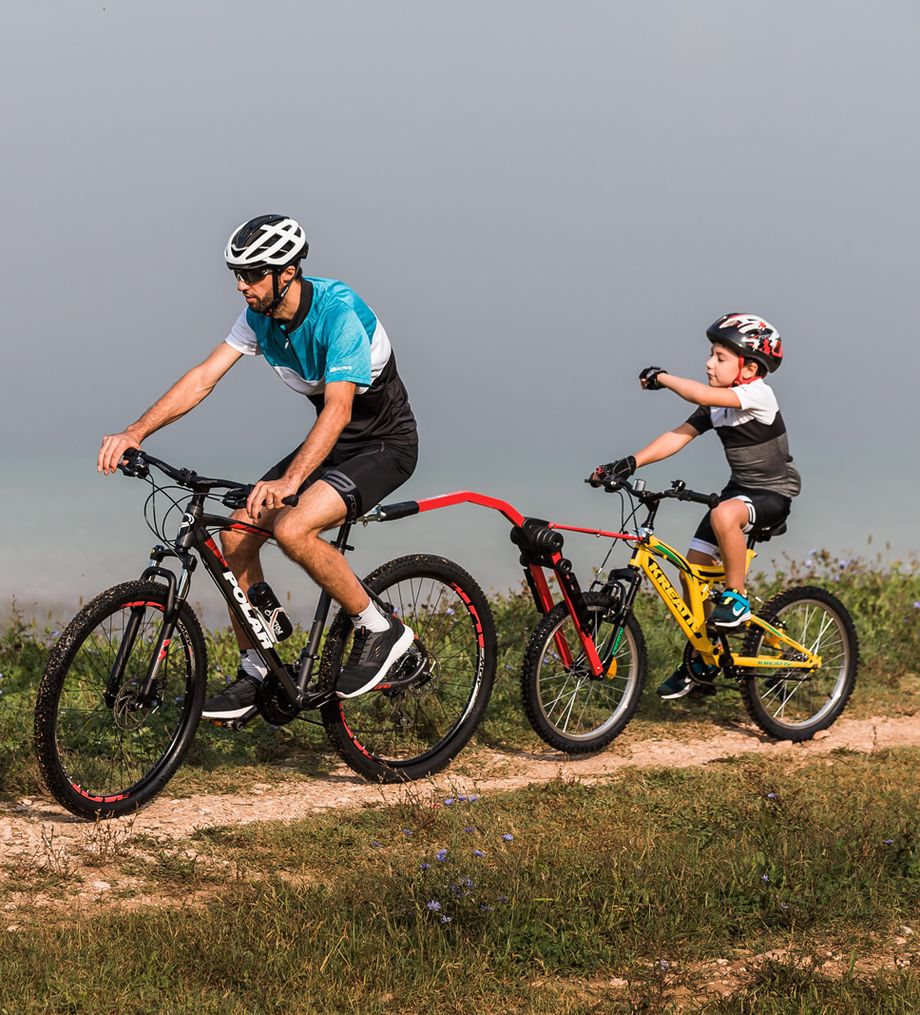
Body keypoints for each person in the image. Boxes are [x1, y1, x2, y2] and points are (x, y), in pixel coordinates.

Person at [98, 214, 419, 720]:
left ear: (286, 273)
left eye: (251, 275)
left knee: (293, 528)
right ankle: (258, 667)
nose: (240, 285)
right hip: (331, 446)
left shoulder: (339, 314)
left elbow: (339, 409)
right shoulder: (258, 318)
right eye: (237, 274)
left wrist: (291, 482)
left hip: (384, 444)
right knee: (237, 533)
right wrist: (135, 431)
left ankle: (382, 629)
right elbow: (204, 377)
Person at [592, 313, 800, 699]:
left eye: (720, 357)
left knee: (724, 514)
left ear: (750, 367)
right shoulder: (718, 408)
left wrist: (664, 378)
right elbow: (677, 436)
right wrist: (628, 463)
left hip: (772, 494)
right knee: (692, 573)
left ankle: (736, 598)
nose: (709, 363)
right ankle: (705, 659)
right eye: (711, 354)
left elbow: (702, 394)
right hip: (739, 490)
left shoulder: (757, 394)